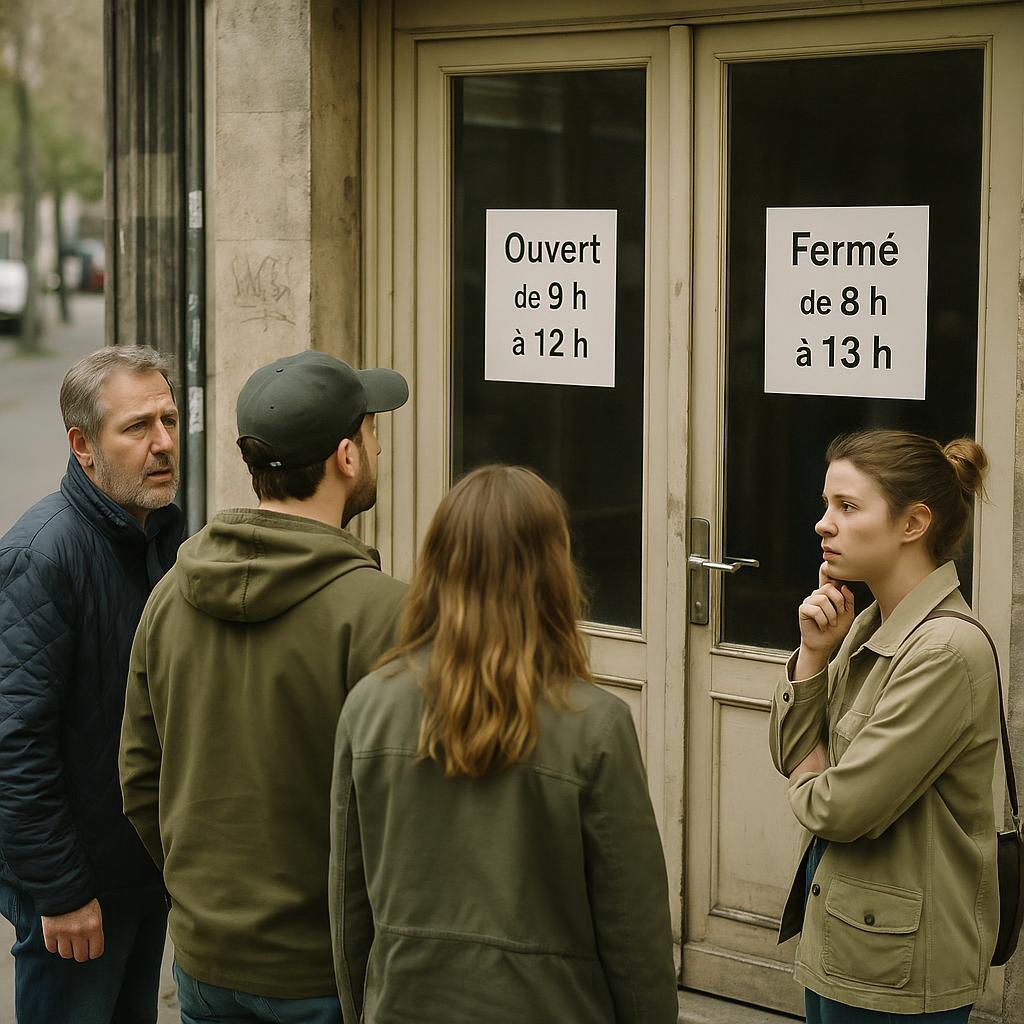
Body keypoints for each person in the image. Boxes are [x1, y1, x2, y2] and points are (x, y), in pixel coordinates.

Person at [329, 464, 678, 1024]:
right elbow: (633, 927)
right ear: (553, 570)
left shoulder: (368, 705)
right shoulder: (596, 725)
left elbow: (349, 906)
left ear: (436, 565)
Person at [119, 350, 409, 1024]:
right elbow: (407, 809)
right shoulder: (383, 613)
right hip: (325, 971)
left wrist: (200, 895)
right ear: (346, 456)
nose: (374, 445)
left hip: (203, 957)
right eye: (371, 431)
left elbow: (138, 774)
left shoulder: (170, 593)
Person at [769, 430, 999, 1021]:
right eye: (827, 505)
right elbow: (789, 750)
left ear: (912, 523)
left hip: (897, 973)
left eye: (847, 507)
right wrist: (814, 656)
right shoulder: (867, 623)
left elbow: (837, 810)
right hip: (846, 939)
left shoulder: (944, 650)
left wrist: (808, 778)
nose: (824, 523)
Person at [0, 346, 183, 1024]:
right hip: (77, 896)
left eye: (168, 419)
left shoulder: (160, 533)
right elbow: (14, 745)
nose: (163, 443)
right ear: (83, 445)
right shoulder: (42, 556)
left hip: (139, 874)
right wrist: (62, 892)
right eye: (137, 428)